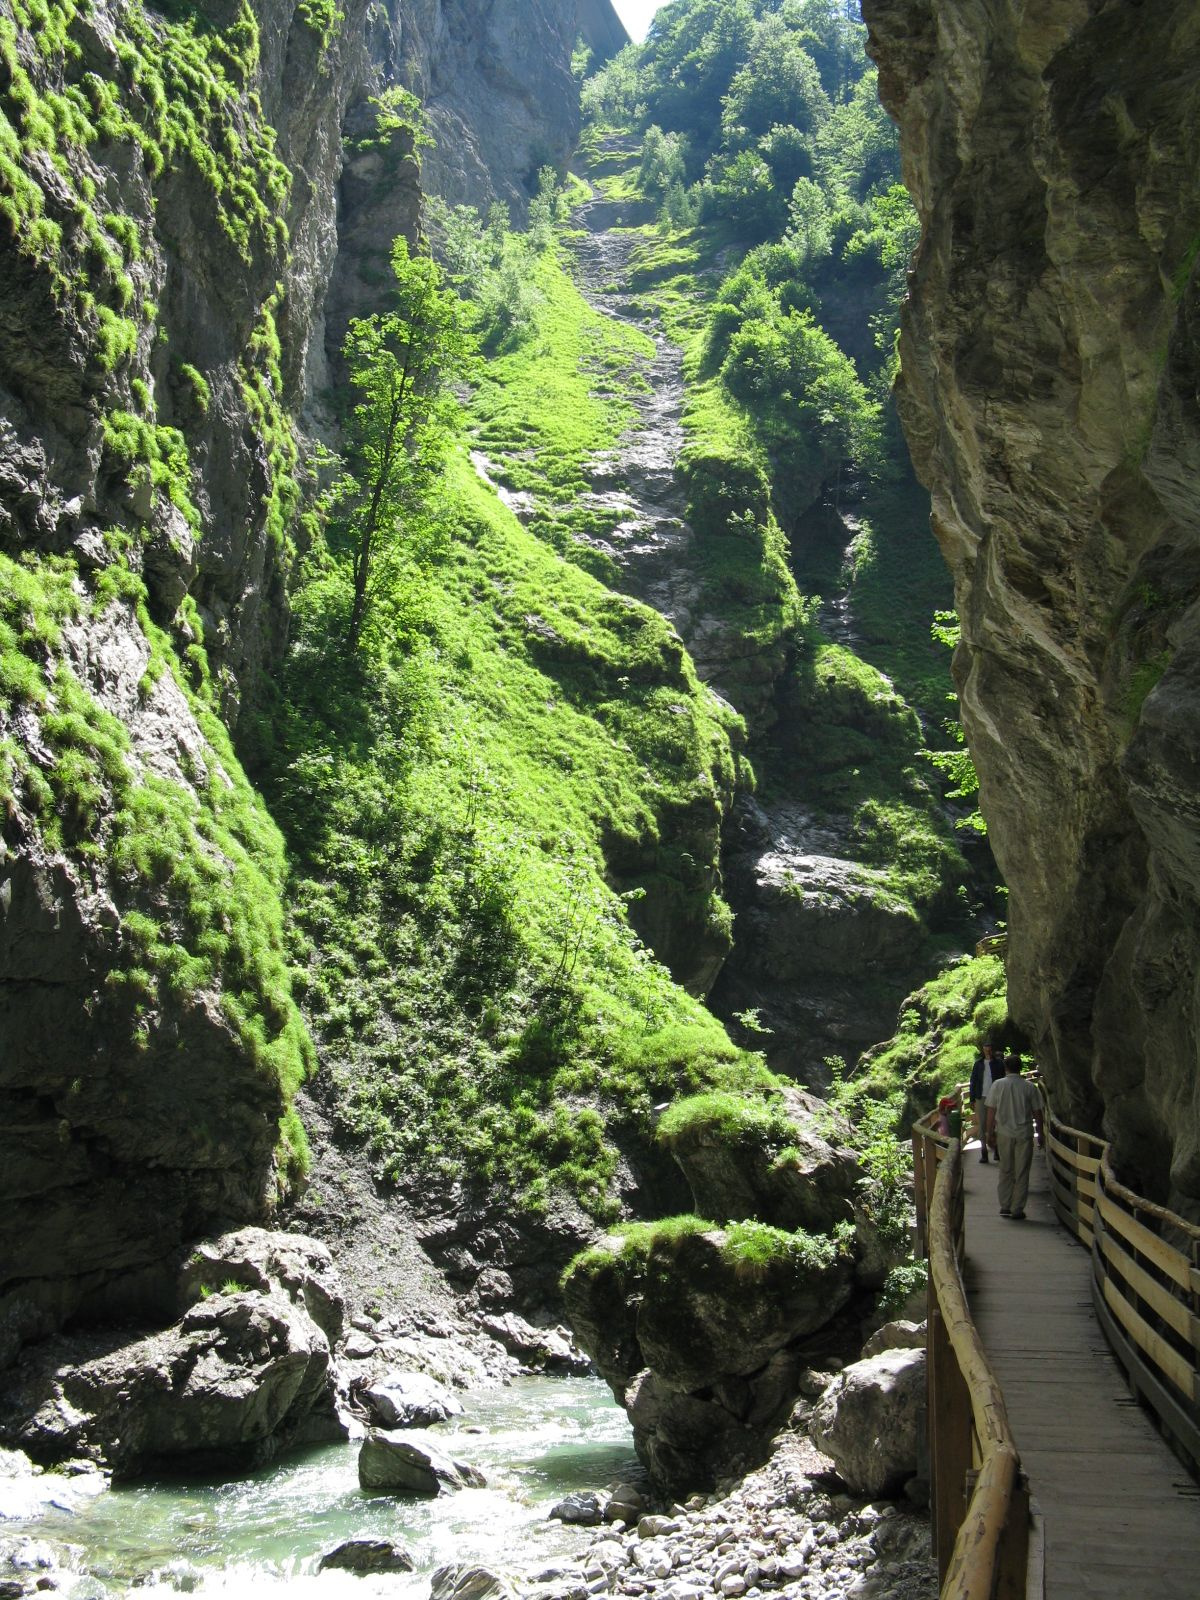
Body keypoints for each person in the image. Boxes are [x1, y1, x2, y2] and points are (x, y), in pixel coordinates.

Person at [985, 1052, 1045, 1219]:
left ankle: (1005, 1205)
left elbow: (991, 1110)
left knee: (1006, 1169)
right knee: (1022, 1171)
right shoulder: (1029, 1087)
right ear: (1020, 1068)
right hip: (1024, 1134)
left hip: (1004, 1133)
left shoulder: (998, 1085)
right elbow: (1037, 1113)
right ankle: (1017, 1208)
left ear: (1005, 1068)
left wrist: (989, 1133)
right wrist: (1040, 1134)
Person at [969, 1039, 1001, 1163]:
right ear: (982, 1049)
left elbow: (1003, 1079)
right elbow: (973, 1081)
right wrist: (972, 1099)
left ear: (992, 1049)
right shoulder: (978, 1064)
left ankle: (997, 1149)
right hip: (981, 1097)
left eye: (990, 1046)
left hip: (995, 1097)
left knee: (996, 1123)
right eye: (986, 1046)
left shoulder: (998, 1064)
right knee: (982, 1124)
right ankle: (983, 1152)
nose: (988, 1049)